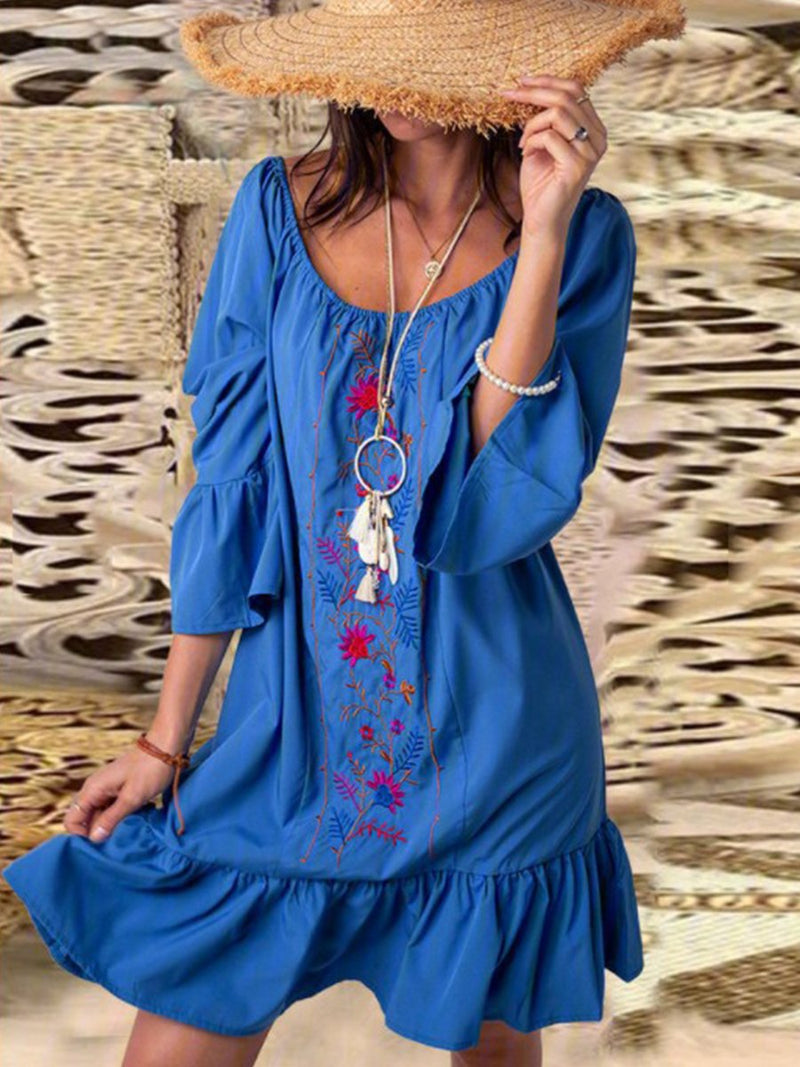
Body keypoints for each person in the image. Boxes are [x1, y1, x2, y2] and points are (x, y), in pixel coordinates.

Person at [2, 3, 688, 1065]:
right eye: (376, 56)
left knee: (492, 1051)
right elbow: (230, 489)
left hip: (496, 729)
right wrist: (165, 739)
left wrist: (545, 234)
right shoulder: (277, 208)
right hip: (295, 725)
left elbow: (496, 495)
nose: (395, 85)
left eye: (433, 56)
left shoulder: (583, 233)